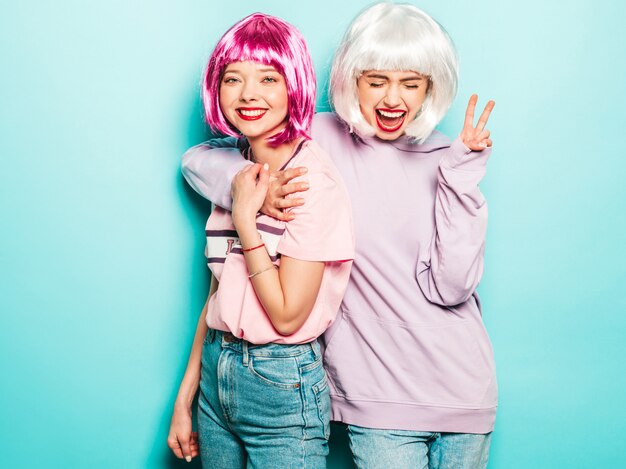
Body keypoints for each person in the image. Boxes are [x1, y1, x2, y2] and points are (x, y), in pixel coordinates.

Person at [181, 3, 497, 468]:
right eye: (377, 81)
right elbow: (198, 158)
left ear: (431, 88)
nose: (393, 99)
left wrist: (461, 179)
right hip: (376, 394)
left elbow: (453, 286)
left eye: (411, 84)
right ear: (352, 80)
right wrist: (249, 188)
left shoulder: (448, 160)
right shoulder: (319, 135)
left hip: (463, 387)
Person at [167, 13, 354, 468]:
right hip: (217, 369)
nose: (248, 94)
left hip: (281, 381)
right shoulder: (237, 169)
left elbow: (288, 315)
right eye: (233, 78)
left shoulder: (311, 183)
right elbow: (219, 292)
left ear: (294, 85)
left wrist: (247, 222)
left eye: (268, 78)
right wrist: (185, 397)